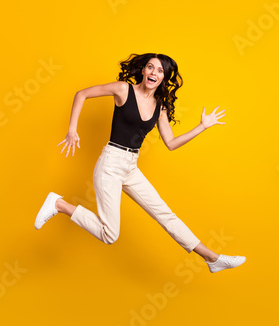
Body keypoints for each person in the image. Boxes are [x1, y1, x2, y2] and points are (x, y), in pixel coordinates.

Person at [34, 53, 246, 273]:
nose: (154, 73)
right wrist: (72, 130)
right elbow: (82, 94)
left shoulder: (160, 106)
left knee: (165, 214)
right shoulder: (123, 89)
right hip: (111, 164)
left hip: (130, 167)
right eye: (150, 67)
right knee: (110, 235)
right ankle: (59, 204)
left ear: (164, 78)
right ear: (143, 71)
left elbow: (171, 143)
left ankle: (212, 258)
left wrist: (201, 127)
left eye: (160, 70)